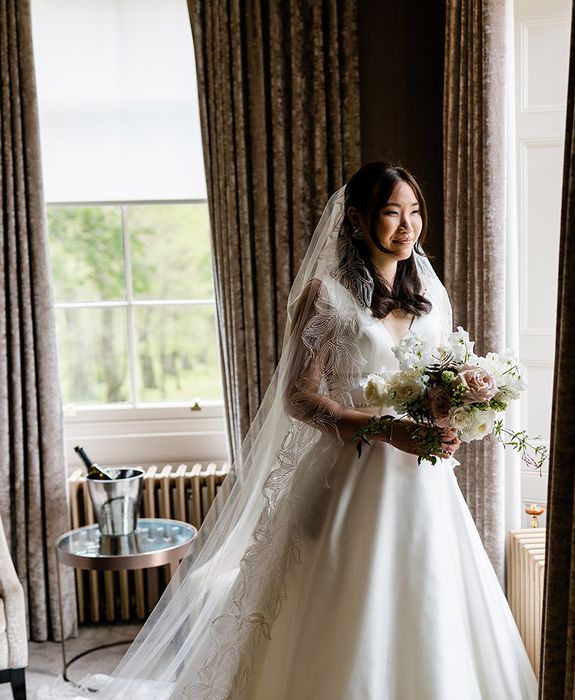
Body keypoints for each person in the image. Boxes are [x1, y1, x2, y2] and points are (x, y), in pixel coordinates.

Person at [39, 162, 537, 699]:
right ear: (356, 220)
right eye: (392, 212)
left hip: (426, 480)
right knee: (344, 611)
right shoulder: (326, 296)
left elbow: (432, 379)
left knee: (433, 598)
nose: (407, 226)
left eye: (414, 211)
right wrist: (385, 430)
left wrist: (447, 411)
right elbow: (298, 396)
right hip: (352, 475)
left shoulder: (431, 296)